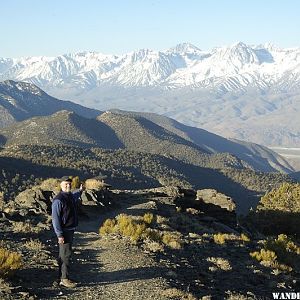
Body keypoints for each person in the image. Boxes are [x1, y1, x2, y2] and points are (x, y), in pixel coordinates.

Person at [52, 176, 83, 288]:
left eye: (69, 184)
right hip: (64, 232)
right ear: (61, 185)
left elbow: (75, 195)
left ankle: (62, 277)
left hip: (70, 230)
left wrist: (80, 191)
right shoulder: (58, 200)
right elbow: (55, 219)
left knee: (63, 255)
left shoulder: (69, 196)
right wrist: (59, 234)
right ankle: (64, 279)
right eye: (66, 184)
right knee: (66, 255)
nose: (68, 185)